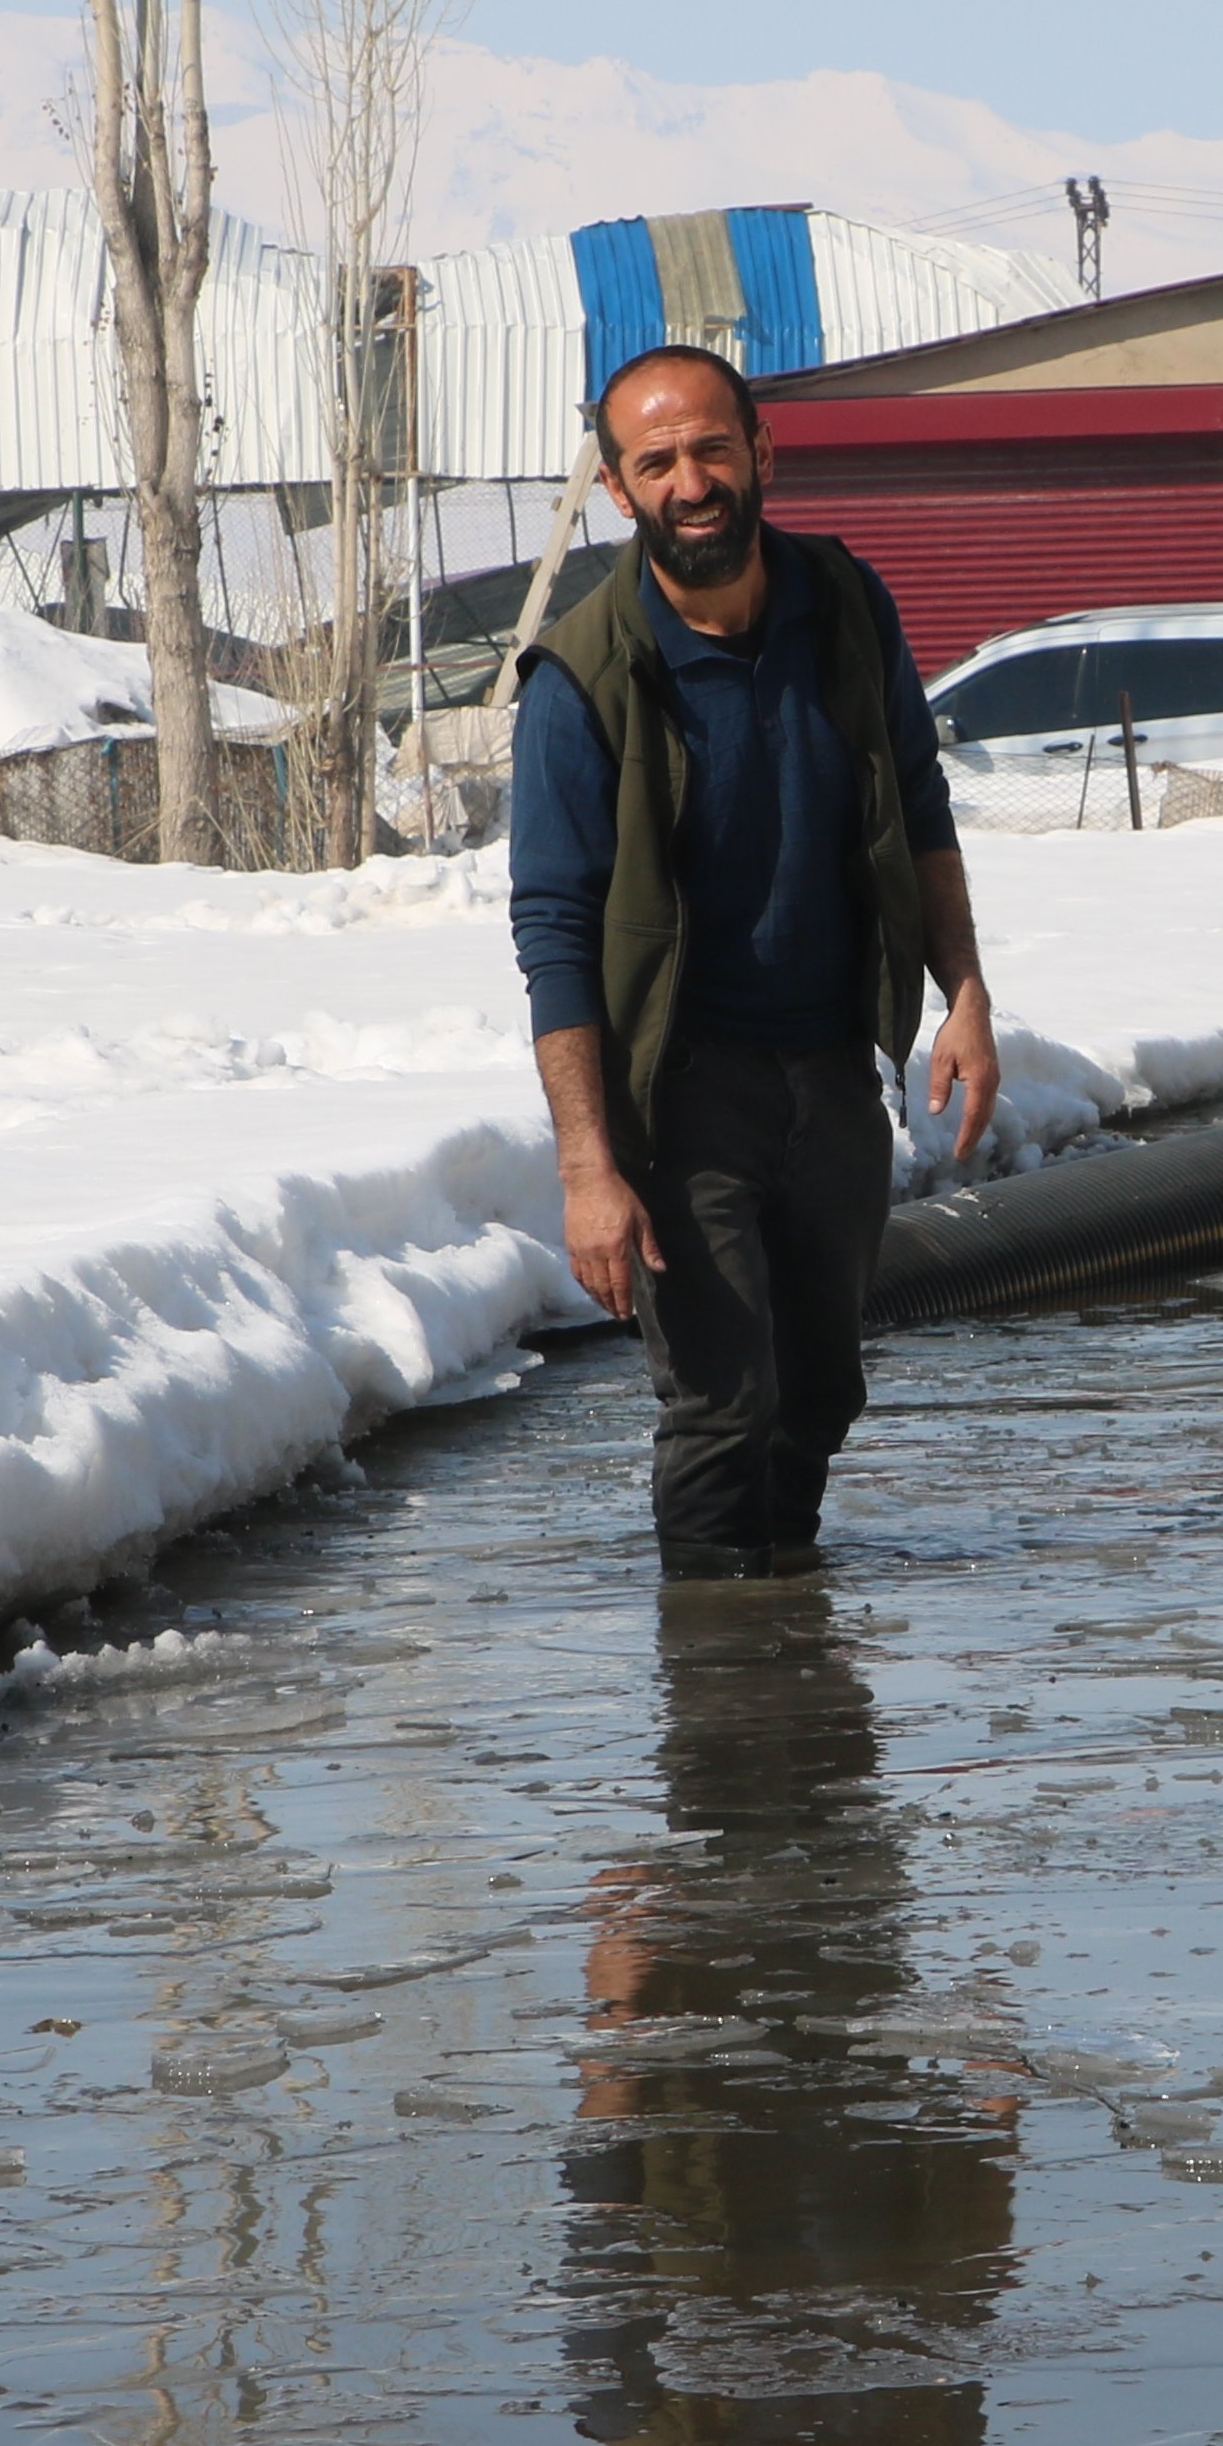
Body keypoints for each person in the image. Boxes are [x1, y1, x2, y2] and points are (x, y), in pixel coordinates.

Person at [509, 343, 1002, 1582]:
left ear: (762, 453)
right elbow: (555, 929)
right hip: (682, 1094)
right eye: (657, 461)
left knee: (823, 1388)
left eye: (712, 449)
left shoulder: (843, 607)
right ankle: (723, 1710)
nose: (692, 481)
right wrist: (587, 1168)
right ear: (620, 490)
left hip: (831, 1065)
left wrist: (967, 997)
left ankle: (795, 1667)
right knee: (723, 1404)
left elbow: (921, 803)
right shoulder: (582, 678)